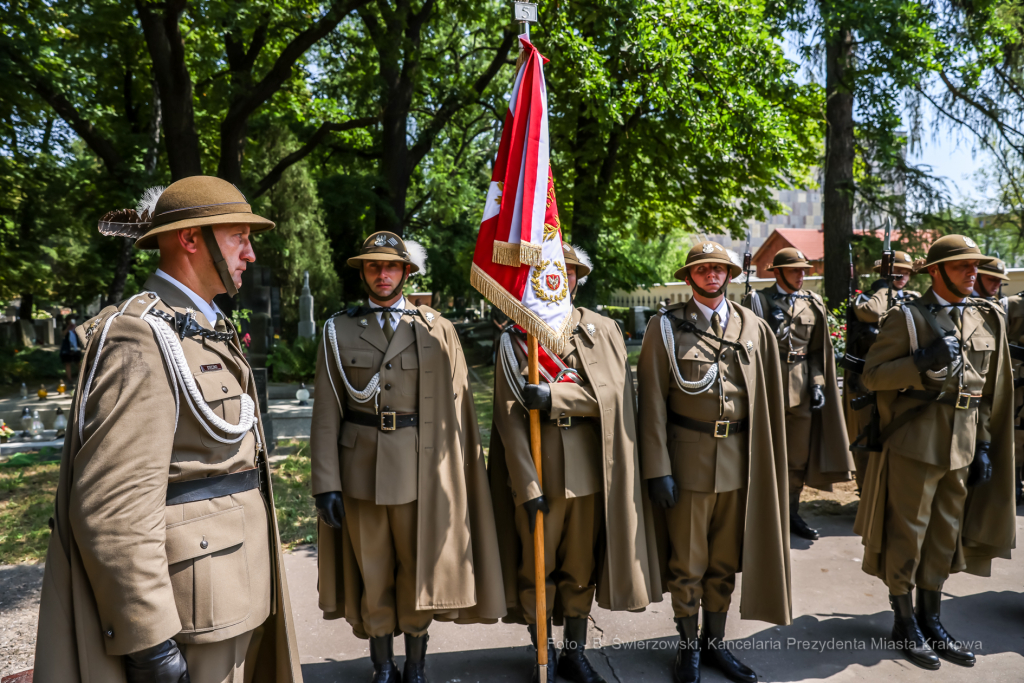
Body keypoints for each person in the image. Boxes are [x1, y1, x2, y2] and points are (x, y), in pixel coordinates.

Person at [33, 176, 302, 683]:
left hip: (233, 587)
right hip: (192, 609)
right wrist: (150, 641)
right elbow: (113, 506)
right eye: (238, 236)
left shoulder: (199, 324)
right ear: (190, 238)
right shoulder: (139, 335)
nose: (250, 252)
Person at [310, 231, 505, 683]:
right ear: (363, 273)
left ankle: (416, 665)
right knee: (373, 572)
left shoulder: (437, 328)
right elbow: (326, 411)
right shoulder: (338, 329)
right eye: (374, 266)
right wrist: (326, 483)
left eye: (391, 266)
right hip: (361, 472)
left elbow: (459, 409)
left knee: (419, 571)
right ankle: (383, 665)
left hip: (424, 470)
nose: (382, 274)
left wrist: (458, 478)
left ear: (407, 272)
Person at [489, 243, 660, 683]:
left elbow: (615, 397)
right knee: (535, 569)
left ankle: (575, 652)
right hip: (538, 470)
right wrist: (526, 486)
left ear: (576, 277)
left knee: (580, 568)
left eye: (564, 271)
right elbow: (507, 418)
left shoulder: (603, 329)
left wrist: (555, 396)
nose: (555, 277)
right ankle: (542, 651)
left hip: (589, 469)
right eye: (547, 269)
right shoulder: (515, 336)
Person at [854, 235, 1016, 670]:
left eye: (974, 266)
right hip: (916, 443)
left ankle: (933, 618)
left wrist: (982, 443)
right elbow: (872, 376)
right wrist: (921, 360)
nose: (972, 273)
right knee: (909, 535)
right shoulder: (907, 318)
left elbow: (981, 391)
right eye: (962, 266)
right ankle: (904, 621)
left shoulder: (981, 318)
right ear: (937, 272)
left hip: (962, 443)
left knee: (944, 536)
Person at [639, 241, 791, 683]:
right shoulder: (664, 328)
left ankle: (714, 644)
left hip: (740, 462)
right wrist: (657, 469)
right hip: (687, 462)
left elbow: (769, 401)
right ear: (690, 277)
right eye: (702, 269)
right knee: (688, 564)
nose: (711, 275)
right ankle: (687, 649)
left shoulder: (752, 327)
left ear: (730, 275)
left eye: (719, 268)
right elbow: (650, 404)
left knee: (725, 563)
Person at [741, 247, 853, 541]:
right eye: (794, 270)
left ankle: (790, 513)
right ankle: (762, 515)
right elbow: (746, 349)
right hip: (768, 387)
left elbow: (818, 352)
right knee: (761, 455)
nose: (801, 275)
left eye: (804, 270)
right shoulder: (759, 301)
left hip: (801, 390)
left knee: (796, 461)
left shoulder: (813, 303)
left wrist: (817, 383)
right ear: (776, 272)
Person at [845, 251, 920, 490]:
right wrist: (884, 287)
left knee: (901, 435)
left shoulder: (913, 298)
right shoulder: (866, 298)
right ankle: (866, 492)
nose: (903, 276)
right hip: (867, 381)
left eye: (907, 272)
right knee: (869, 435)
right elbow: (873, 313)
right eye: (898, 271)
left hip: (905, 377)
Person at [58, 315, 82, 382]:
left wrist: (75, 327)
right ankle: (69, 378)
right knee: (68, 363)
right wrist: (68, 327)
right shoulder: (65, 327)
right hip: (67, 347)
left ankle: (82, 377)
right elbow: (63, 334)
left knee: (78, 362)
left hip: (76, 347)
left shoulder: (77, 327)